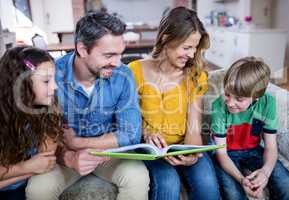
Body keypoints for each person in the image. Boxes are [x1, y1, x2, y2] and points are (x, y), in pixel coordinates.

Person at [25, 12, 149, 200]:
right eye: (109, 55)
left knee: (138, 176)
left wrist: (78, 143)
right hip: (64, 157)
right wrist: (69, 156)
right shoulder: (51, 76)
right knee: (38, 189)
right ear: (82, 49)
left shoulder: (123, 75)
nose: (117, 63)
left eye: (120, 54)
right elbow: (40, 139)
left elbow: (131, 133)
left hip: (109, 155)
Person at [128, 7, 220, 200]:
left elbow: (193, 125)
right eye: (186, 48)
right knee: (168, 184)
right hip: (150, 151)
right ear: (165, 39)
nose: (192, 55)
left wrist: (191, 155)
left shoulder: (195, 76)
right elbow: (127, 120)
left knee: (208, 188)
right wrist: (146, 133)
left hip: (182, 146)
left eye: (195, 48)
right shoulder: (134, 71)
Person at [211, 57, 289, 200]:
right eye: (227, 94)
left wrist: (265, 172)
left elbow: (271, 147)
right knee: (233, 195)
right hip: (227, 153)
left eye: (239, 99)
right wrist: (241, 179)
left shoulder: (268, 103)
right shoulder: (218, 106)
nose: (230, 103)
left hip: (254, 150)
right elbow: (221, 153)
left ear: (256, 97)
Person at [0, 46, 63, 200]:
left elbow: (44, 162)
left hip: (19, 188)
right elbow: (35, 166)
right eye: (46, 81)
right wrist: (26, 167)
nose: (55, 87)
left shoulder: (49, 110)